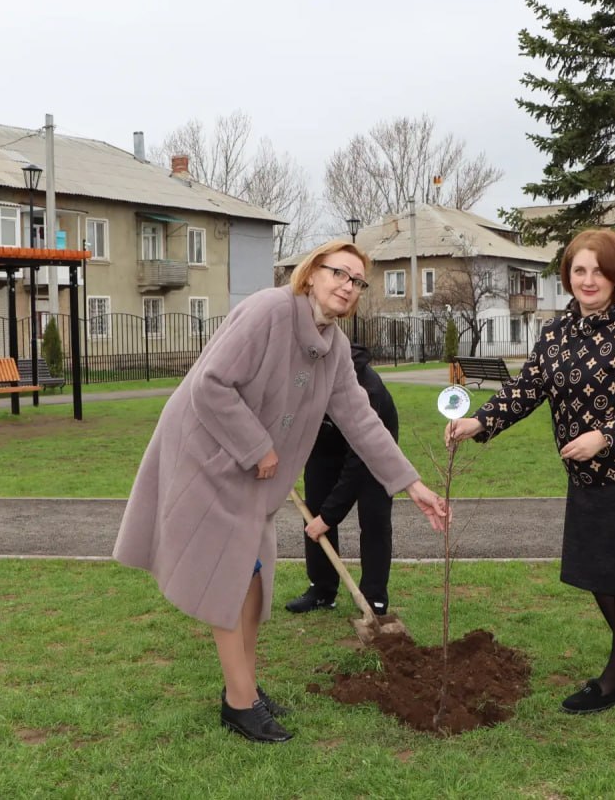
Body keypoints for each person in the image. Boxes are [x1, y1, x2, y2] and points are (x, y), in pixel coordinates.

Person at [114, 240, 449, 744]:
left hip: (254, 473)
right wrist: (258, 447)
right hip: (209, 456)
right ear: (311, 273)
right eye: (339, 273)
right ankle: (239, 702)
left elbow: (360, 419)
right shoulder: (268, 311)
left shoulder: (334, 346)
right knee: (228, 580)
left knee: (252, 577)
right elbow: (210, 385)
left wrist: (412, 483)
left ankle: (244, 686)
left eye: (358, 281)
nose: (348, 286)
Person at [445, 228, 615, 715]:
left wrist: (605, 436)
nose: (588, 280)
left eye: (598, 271)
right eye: (578, 270)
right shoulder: (557, 332)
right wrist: (479, 421)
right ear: (567, 276)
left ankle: (614, 680)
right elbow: (527, 388)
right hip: (586, 480)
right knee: (597, 572)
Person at [287, 341, 396, 617]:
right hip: (325, 442)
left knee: (374, 517)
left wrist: (328, 517)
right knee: (314, 508)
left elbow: (358, 466)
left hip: (372, 451)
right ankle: (322, 589)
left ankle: (374, 597)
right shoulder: (307, 375)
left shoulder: (368, 392)